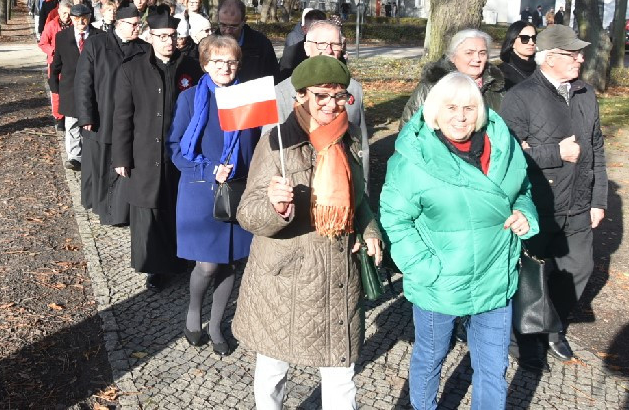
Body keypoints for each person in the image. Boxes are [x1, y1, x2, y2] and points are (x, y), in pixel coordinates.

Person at [233, 56, 383, 410]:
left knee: (341, 372)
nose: (332, 105)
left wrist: (371, 229)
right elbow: (247, 213)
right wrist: (275, 207)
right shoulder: (276, 143)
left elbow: (358, 199)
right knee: (273, 367)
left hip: (337, 278)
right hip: (285, 277)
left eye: (340, 96)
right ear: (300, 96)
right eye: (321, 96)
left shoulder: (344, 141)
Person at [382, 72, 538, 410]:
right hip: (441, 282)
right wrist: (424, 269)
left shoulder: (504, 146)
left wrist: (526, 214)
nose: (461, 116)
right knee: (431, 358)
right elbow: (395, 218)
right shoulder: (413, 158)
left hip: (495, 277)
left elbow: (523, 190)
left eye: (469, 107)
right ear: (434, 110)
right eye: (450, 107)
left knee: (493, 368)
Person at [500, 24, 608, 365]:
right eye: (571, 53)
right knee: (531, 275)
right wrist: (553, 153)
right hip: (537, 204)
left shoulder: (585, 93)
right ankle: (522, 335)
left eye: (579, 52)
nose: (580, 58)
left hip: (578, 203)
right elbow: (507, 155)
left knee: (579, 269)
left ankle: (554, 328)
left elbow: (597, 148)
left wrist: (599, 199)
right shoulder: (520, 97)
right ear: (548, 58)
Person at [168, 35, 260, 356]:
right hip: (201, 190)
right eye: (218, 61)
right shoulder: (191, 98)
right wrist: (210, 170)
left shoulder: (248, 98)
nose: (225, 67)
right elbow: (177, 148)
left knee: (230, 263)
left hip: (238, 189)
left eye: (231, 61)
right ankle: (194, 314)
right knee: (207, 266)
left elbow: (261, 143)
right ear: (206, 64)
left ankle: (219, 325)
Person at [112, 13, 202, 290]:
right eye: (161, 36)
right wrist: (121, 157)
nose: (168, 42)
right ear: (149, 37)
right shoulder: (132, 69)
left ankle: (180, 260)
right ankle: (154, 266)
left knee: (177, 207)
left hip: (180, 152)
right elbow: (123, 116)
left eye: (172, 36)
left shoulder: (191, 67)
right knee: (149, 210)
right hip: (144, 152)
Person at [266, 21, 368, 183]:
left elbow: (361, 148)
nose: (328, 50)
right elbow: (271, 149)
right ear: (307, 48)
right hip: (298, 187)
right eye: (321, 44)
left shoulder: (354, 90)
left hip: (344, 185)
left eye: (335, 44)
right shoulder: (282, 92)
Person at [75, 5, 150, 226]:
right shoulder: (97, 44)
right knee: (100, 166)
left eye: (139, 24)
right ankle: (100, 207)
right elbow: (83, 82)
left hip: (130, 119)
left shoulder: (144, 50)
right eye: (133, 24)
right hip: (102, 116)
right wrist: (85, 115)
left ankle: (119, 211)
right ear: (119, 23)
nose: (137, 28)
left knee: (123, 164)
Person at [399, 29, 505, 128]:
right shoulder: (433, 86)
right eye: (469, 53)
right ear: (453, 57)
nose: (477, 59)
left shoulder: (496, 87)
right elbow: (409, 128)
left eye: (482, 53)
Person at [50, 4, 100, 173]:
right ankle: (74, 157)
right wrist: (54, 83)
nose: (81, 22)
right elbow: (56, 62)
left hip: (93, 88)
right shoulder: (62, 37)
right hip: (69, 87)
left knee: (90, 121)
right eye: (77, 19)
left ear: (90, 17)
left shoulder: (99, 36)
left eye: (84, 18)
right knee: (72, 123)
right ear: (71, 19)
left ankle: (90, 154)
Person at [217, 0, 278, 83]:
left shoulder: (261, 45)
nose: (228, 31)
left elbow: (273, 79)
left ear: (244, 21)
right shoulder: (210, 44)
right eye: (223, 25)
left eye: (233, 26)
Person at [39, 0, 72, 129]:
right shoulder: (52, 25)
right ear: (59, 12)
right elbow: (42, 43)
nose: (67, 17)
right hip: (55, 63)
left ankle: (69, 113)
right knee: (56, 90)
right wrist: (54, 52)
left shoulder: (74, 25)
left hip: (70, 62)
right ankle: (59, 117)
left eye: (69, 14)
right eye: (64, 13)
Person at [278, 8, 327, 81]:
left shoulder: (331, 51)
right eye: (314, 29)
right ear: (304, 29)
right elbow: (282, 82)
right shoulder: (291, 53)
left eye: (322, 29)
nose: (318, 33)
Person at [498, 20, 538, 90]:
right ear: (512, 42)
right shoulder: (501, 73)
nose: (531, 43)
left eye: (534, 38)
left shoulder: (543, 69)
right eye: (525, 38)